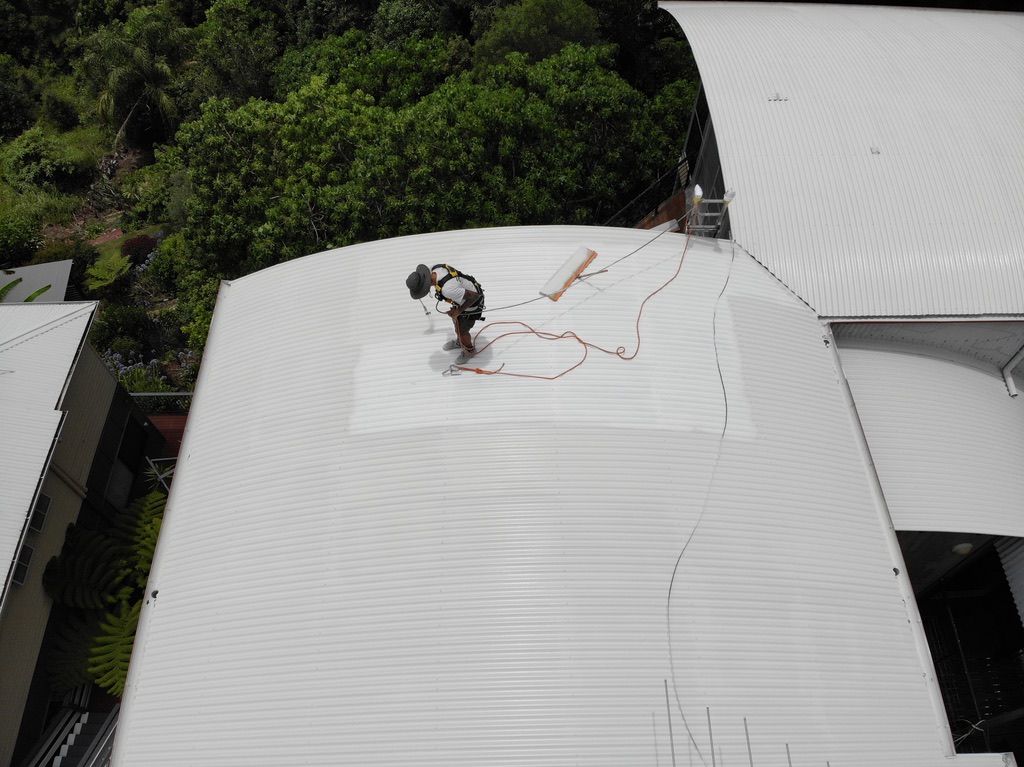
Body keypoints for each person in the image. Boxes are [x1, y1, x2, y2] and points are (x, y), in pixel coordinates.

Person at [406, 263, 485, 364]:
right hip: (461, 298)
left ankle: (469, 351)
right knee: (456, 322)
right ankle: (459, 342)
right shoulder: (434, 269)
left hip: (473, 304)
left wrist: (458, 311)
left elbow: (475, 296)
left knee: (462, 331)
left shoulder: (447, 290)